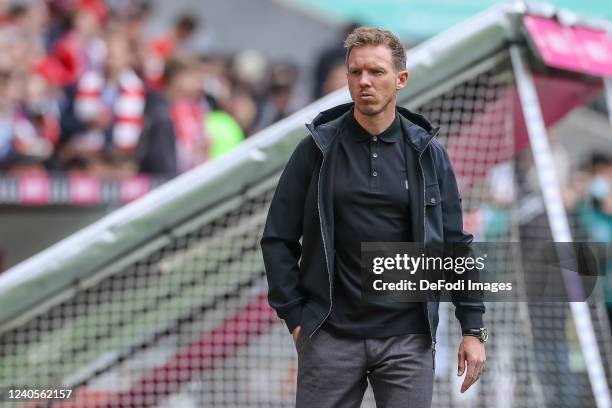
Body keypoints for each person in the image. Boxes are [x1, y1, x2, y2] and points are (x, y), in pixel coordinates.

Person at [261, 27, 487, 408]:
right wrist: (297, 318)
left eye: (376, 72)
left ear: (401, 79)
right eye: (356, 72)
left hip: (408, 341)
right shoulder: (316, 149)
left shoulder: (429, 154)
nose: (364, 81)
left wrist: (473, 327)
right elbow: (278, 239)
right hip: (329, 336)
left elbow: (455, 244)